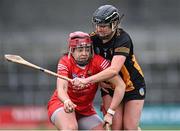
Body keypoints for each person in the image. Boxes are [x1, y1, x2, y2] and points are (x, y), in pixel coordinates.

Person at [72, 5, 146, 130]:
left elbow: (113, 70)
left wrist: (86, 80)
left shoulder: (123, 39)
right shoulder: (93, 38)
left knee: (129, 128)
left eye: (103, 26)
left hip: (132, 86)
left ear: (114, 24)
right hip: (109, 87)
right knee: (115, 128)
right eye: (97, 25)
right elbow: (82, 57)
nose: (99, 29)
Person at [47, 31, 125, 130]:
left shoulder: (98, 62)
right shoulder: (65, 61)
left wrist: (110, 112)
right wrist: (66, 101)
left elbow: (120, 85)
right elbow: (62, 89)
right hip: (62, 104)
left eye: (87, 49)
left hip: (85, 110)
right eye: (80, 50)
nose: (84, 53)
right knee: (70, 128)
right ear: (72, 50)